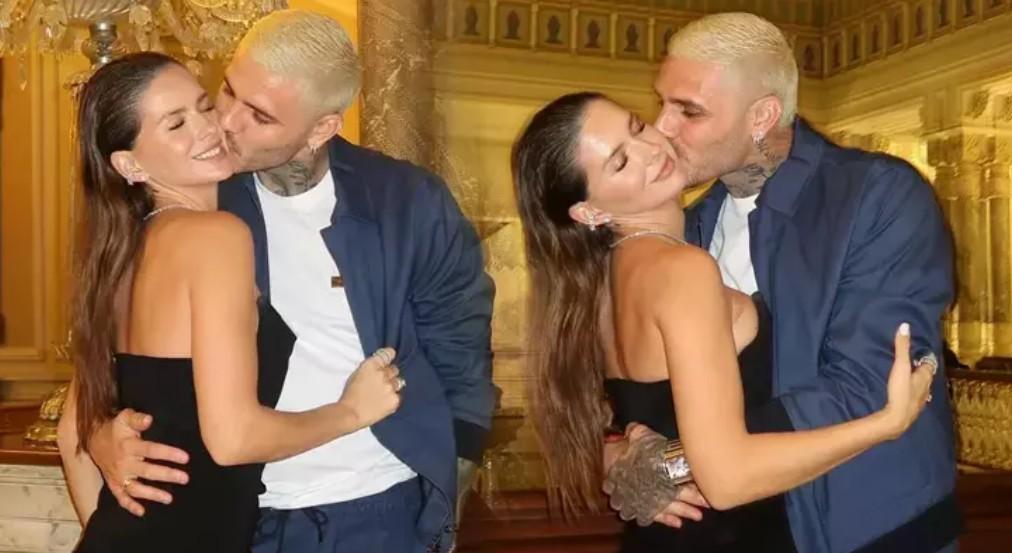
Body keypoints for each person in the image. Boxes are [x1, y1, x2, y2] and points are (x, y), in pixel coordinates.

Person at [76, 11, 495, 553]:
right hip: (247, 516)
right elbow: (109, 369)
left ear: (321, 128)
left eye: (259, 115)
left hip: (375, 508)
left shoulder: (405, 201)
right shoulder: (202, 195)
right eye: (227, 91)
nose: (225, 123)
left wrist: (448, 493)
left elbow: (461, 347)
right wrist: (100, 434)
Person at [512, 91, 938, 552]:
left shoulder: (599, 284)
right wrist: (886, 423)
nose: (651, 148)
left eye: (636, 126)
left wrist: (633, 455)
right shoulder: (683, 270)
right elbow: (727, 479)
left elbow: (652, 421)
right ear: (589, 211)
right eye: (620, 161)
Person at [604, 12, 959, 553]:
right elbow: (633, 391)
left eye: (688, 111)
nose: (662, 129)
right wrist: (611, 449)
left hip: (873, 530)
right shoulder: (688, 227)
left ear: (762, 116)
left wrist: (676, 461)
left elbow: (872, 385)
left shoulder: (879, 195)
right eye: (661, 103)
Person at [56, 52, 404, 553]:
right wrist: (352, 411)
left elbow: (73, 431)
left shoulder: (118, 253)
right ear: (130, 164)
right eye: (176, 123)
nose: (208, 128)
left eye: (204, 106)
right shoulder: (215, 236)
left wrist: (114, 533)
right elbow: (234, 438)